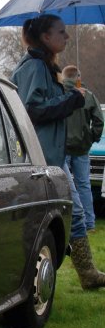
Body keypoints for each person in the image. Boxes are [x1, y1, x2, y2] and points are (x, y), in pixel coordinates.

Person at [10, 14, 105, 290]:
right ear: (45, 37)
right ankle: (79, 274)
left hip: (50, 158)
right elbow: (32, 110)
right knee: (58, 215)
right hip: (39, 160)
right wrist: (71, 100)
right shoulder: (35, 67)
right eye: (61, 32)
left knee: (65, 213)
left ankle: (85, 273)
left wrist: (69, 96)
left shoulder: (45, 67)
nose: (66, 37)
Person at [61, 65, 104, 232]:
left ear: (64, 78)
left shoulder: (59, 95)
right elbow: (99, 121)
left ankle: (69, 221)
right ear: (78, 78)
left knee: (65, 186)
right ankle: (89, 223)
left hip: (62, 147)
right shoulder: (89, 96)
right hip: (82, 148)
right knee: (84, 185)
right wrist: (92, 138)